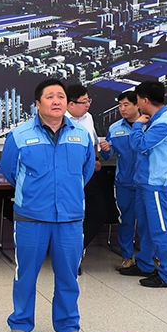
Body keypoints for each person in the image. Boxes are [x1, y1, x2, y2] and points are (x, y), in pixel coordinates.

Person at [0, 79, 95, 332]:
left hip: (70, 217)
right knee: (26, 274)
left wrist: (67, 193)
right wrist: (34, 193)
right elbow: (10, 170)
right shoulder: (19, 135)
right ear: (37, 103)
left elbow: (86, 171)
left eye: (61, 96)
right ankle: (20, 323)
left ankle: (68, 325)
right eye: (50, 96)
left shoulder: (81, 135)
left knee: (68, 275)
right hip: (31, 217)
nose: (56, 101)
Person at [118, 81, 167, 288]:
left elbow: (139, 144)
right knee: (146, 229)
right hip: (145, 183)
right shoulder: (155, 120)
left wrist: (137, 125)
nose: (136, 105)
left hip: (157, 185)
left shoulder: (165, 123)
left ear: (145, 100)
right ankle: (145, 264)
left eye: (137, 100)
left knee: (161, 230)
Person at [99, 91, 141, 270]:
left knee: (148, 221)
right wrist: (105, 149)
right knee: (126, 220)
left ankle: (152, 257)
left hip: (146, 183)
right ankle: (126, 256)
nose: (122, 109)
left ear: (137, 105)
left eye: (126, 105)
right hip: (124, 182)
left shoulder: (149, 125)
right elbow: (108, 155)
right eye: (120, 105)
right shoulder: (115, 128)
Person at [64, 84, 105, 251]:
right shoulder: (59, 119)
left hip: (87, 175)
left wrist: (96, 159)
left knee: (98, 212)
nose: (88, 105)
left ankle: (76, 248)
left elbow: (93, 141)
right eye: (84, 102)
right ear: (71, 104)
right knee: (69, 214)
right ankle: (66, 251)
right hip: (67, 177)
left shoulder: (88, 117)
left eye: (88, 101)